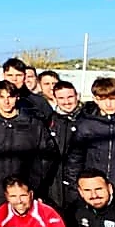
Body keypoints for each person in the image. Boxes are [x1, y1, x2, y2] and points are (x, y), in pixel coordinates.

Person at [0, 80, 50, 208]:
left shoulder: (34, 125)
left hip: (24, 194)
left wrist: (35, 183)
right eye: (1, 97)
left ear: (17, 97)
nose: (6, 102)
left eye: (10, 97)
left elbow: (47, 156)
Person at [46, 80, 84, 211]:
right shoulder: (49, 121)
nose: (66, 102)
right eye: (61, 98)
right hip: (56, 187)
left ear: (77, 96)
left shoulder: (88, 119)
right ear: (55, 99)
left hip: (82, 184)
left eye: (70, 97)